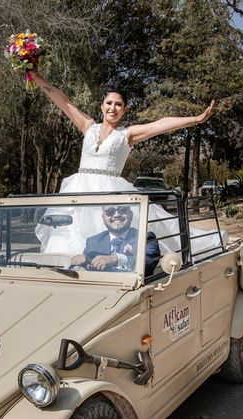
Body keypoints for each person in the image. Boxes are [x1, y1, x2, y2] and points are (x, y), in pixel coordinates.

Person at [30, 71, 219, 256]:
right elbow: (64, 101)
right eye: (109, 103)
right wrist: (36, 77)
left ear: (124, 109)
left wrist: (195, 119)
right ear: (102, 106)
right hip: (78, 190)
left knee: (108, 236)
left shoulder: (127, 135)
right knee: (67, 235)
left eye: (118, 104)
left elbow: (161, 124)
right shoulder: (88, 126)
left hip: (110, 194)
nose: (113, 108)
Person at [71, 205, 160, 276]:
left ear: (131, 215)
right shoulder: (93, 241)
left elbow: (148, 264)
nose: (117, 215)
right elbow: (85, 268)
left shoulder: (145, 237)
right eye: (110, 211)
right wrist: (78, 260)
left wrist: (116, 259)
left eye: (123, 209)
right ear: (103, 218)